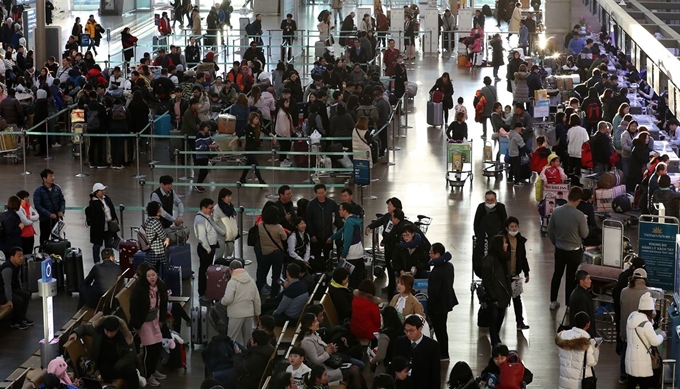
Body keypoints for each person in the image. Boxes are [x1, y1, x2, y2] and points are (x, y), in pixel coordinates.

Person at [68, 316, 138, 389]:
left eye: (112, 332)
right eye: (107, 331)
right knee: (130, 373)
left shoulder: (124, 335)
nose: (109, 334)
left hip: (118, 362)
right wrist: (75, 333)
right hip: (102, 364)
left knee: (132, 371)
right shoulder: (98, 331)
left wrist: (119, 364)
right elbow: (84, 327)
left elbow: (131, 353)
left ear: (117, 330)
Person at [548, 187, 589, 310]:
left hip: (560, 250)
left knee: (557, 275)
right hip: (574, 251)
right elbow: (585, 234)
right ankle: (569, 305)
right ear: (578, 200)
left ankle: (553, 301)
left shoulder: (556, 211)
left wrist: (556, 243)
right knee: (571, 278)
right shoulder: (579, 215)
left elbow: (550, 231)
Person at [299, 313, 365, 388]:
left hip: (329, 363)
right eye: (315, 321)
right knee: (354, 371)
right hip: (323, 370)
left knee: (356, 368)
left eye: (317, 321)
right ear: (309, 325)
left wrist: (329, 347)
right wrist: (327, 352)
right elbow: (316, 361)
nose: (317, 323)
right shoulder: (307, 341)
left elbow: (322, 349)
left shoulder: (314, 334)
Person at [129, 263, 168, 387]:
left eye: (153, 275)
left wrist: (162, 320)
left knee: (157, 346)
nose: (152, 278)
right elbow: (134, 308)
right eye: (149, 276)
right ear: (145, 277)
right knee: (149, 349)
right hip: (144, 322)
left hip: (155, 320)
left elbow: (163, 304)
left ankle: (153, 370)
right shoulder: (140, 290)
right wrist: (136, 325)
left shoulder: (160, 286)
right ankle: (148, 374)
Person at [625, 292, 666, 389]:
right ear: (650, 310)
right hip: (642, 362)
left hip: (630, 359)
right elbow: (655, 341)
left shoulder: (632, 317)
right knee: (644, 385)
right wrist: (662, 335)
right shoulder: (646, 324)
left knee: (631, 384)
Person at [618, 268, 651, 383]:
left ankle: (622, 375)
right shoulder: (646, 294)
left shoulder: (624, 291)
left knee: (624, 351)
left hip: (625, 328)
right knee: (637, 355)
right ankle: (636, 377)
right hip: (639, 330)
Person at [426, 242, 457, 360]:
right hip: (446, 302)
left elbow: (434, 291)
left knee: (440, 330)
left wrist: (430, 304)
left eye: (431, 253)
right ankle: (444, 352)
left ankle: (443, 353)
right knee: (442, 328)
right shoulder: (449, 266)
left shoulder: (437, 270)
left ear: (438, 254)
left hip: (438, 305)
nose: (429, 255)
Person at [220, 259, 260, 347]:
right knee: (248, 338)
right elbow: (256, 299)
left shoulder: (232, 282)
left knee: (231, 338)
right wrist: (257, 313)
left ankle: (230, 355)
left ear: (231, 270)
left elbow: (228, 299)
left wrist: (222, 301)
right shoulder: (251, 281)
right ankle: (247, 355)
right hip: (249, 313)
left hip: (235, 314)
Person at [393, 315, 440, 389]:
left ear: (420, 328)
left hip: (423, 384)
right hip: (403, 384)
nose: (408, 334)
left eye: (411, 331)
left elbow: (435, 372)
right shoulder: (400, 341)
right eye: (406, 330)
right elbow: (395, 362)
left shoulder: (432, 345)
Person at [555, 310, 600, 389]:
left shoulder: (563, 336)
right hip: (579, 383)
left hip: (564, 380)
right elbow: (591, 362)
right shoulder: (586, 341)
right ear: (587, 324)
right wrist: (596, 350)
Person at [481, 234, 512, 346]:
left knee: (500, 317)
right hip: (494, 295)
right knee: (494, 318)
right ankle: (495, 340)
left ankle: (496, 338)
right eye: (504, 242)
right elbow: (487, 280)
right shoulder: (489, 260)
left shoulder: (505, 258)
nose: (506, 245)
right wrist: (492, 296)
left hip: (504, 294)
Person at [501, 217, 530, 331]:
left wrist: (526, 272)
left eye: (516, 226)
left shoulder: (520, 240)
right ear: (507, 228)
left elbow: (523, 257)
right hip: (503, 274)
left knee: (517, 299)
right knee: (503, 299)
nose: (514, 228)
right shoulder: (501, 240)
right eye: (511, 227)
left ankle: (520, 322)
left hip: (515, 274)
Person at [327, 202, 364, 287]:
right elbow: (341, 231)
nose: (339, 211)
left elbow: (347, 240)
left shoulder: (349, 223)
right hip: (358, 252)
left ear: (345, 211)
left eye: (340, 210)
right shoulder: (352, 219)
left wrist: (343, 255)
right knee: (359, 277)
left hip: (351, 254)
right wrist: (332, 238)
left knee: (351, 280)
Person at [305, 184, 340, 272]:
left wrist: (333, 233)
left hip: (328, 236)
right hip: (315, 237)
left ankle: (328, 273)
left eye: (323, 192)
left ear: (325, 191)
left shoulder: (331, 203)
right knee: (316, 257)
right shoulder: (311, 204)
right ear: (315, 193)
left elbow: (338, 216)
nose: (321, 195)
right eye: (319, 193)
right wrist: (312, 235)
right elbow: (308, 220)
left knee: (328, 258)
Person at [257, 205, 287, 296]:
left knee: (262, 274)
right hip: (277, 254)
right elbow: (284, 238)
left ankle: (258, 291)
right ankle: (274, 294)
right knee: (276, 276)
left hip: (265, 253)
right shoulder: (278, 227)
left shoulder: (261, 225)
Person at [85, 183, 118, 264]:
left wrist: (115, 220)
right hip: (98, 229)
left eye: (103, 190)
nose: (103, 192)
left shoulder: (107, 199)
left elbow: (112, 210)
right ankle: (97, 262)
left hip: (108, 228)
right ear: (96, 192)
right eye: (101, 190)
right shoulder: (93, 203)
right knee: (97, 246)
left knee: (109, 245)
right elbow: (92, 215)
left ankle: (109, 261)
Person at [0, 247, 32, 330]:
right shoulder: (7, 269)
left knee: (25, 295)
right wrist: (9, 300)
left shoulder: (18, 265)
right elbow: (7, 285)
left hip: (9, 289)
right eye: (19, 256)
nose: (21, 258)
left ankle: (22, 317)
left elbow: (18, 279)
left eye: (22, 256)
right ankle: (15, 322)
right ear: (12, 257)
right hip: (1, 292)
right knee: (18, 300)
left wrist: (21, 289)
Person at [473, 190, 508, 265]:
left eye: (492, 200)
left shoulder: (501, 207)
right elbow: (476, 222)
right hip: (484, 237)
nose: (490, 202)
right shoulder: (481, 207)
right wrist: (478, 235)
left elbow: (504, 222)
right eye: (488, 200)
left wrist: (502, 236)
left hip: (497, 236)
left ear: (496, 200)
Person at [33, 168, 65, 245]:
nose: (53, 178)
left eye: (53, 176)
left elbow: (62, 200)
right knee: (44, 240)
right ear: (44, 178)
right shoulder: (38, 191)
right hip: (45, 221)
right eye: (50, 176)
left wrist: (61, 210)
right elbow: (38, 206)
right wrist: (49, 214)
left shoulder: (57, 188)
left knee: (57, 240)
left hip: (57, 220)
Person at [370, 306, 403, 374]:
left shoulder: (385, 335)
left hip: (387, 366)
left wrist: (372, 360)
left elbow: (380, 356)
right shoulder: (402, 331)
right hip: (401, 364)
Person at [568, 270, 597, 338]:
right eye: (588, 278)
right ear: (581, 281)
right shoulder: (581, 297)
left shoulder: (579, 293)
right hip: (583, 335)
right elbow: (584, 319)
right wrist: (591, 336)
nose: (590, 281)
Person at [142, 202, 170, 270]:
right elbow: (162, 236)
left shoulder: (148, 220)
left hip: (150, 249)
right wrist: (167, 239)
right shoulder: (155, 222)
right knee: (159, 270)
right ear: (157, 212)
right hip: (157, 251)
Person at [213, 188, 238, 259]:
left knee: (229, 256)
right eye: (228, 197)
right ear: (222, 198)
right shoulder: (216, 209)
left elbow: (233, 220)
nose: (230, 198)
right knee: (219, 256)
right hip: (221, 237)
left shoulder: (231, 207)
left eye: (230, 196)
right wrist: (223, 233)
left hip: (231, 236)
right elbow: (214, 224)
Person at [16, 190, 38, 255]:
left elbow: (37, 216)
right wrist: (33, 220)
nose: (28, 199)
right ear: (21, 199)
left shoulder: (29, 206)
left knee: (30, 253)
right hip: (24, 235)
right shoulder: (19, 209)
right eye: (26, 197)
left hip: (31, 234)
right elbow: (25, 222)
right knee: (24, 253)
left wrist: (30, 218)